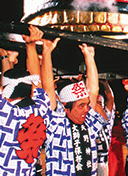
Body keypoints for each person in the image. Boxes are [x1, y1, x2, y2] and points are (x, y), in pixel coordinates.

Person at [0, 22, 51, 175]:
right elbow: (37, 80)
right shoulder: (42, 107)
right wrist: (31, 46)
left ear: (6, 89)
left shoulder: (2, 111)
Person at [42, 39, 107, 175]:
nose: (86, 109)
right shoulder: (56, 124)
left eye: (87, 104)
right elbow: (48, 88)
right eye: (81, 105)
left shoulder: (89, 123)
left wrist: (89, 56)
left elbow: (93, 91)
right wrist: (47, 52)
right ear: (65, 107)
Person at [96, 79, 115, 176]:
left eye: (100, 103)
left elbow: (110, 99)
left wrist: (105, 84)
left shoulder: (106, 117)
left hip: (103, 161)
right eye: (96, 103)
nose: (98, 106)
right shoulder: (88, 117)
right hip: (91, 160)